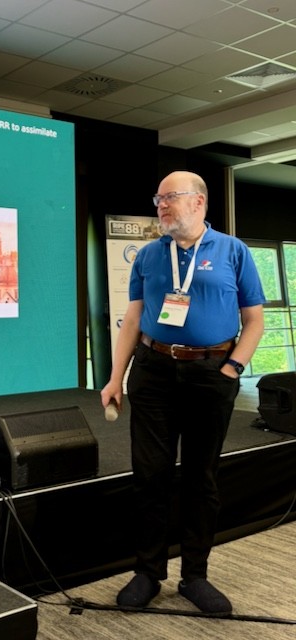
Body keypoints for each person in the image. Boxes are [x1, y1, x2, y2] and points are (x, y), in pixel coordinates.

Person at [101, 170, 265, 614]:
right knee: (149, 474)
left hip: (212, 372)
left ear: (198, 202)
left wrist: (232, 368)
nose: (161, 205)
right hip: (153, 371)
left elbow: (254, 320)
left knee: (201, 476)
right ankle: (148, 572)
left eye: (169, 197)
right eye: (158, 199)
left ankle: (195, 575)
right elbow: (133, 318)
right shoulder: (149, 255)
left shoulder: (233, 251)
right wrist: (115, 377)